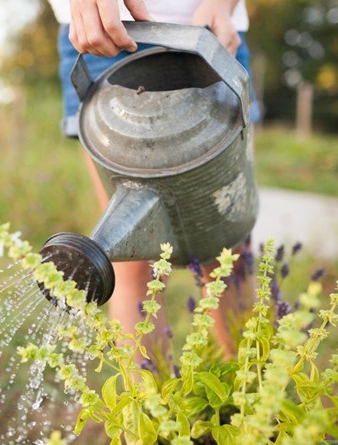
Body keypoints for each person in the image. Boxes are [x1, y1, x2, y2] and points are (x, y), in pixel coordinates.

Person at [47, 0, 261, 360]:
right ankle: (153, 410)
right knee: (134, 259)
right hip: (102, 32)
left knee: (230, 249)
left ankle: (249, 404)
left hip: (214, 35)